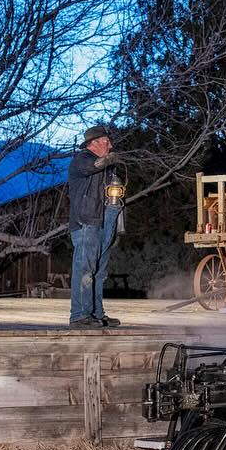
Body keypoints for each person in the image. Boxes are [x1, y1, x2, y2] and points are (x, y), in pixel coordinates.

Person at [68, 124, 125, 327]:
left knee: (99, 271)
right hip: (86, 222)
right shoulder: (81, 159)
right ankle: (79, 315)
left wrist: (116, 225)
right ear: (93, 143)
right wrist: (107, 160)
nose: (110, 145)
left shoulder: (108, 168)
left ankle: (96, 313)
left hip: (105, 221)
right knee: (85, 268)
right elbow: (91, 167)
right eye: (105, 141)